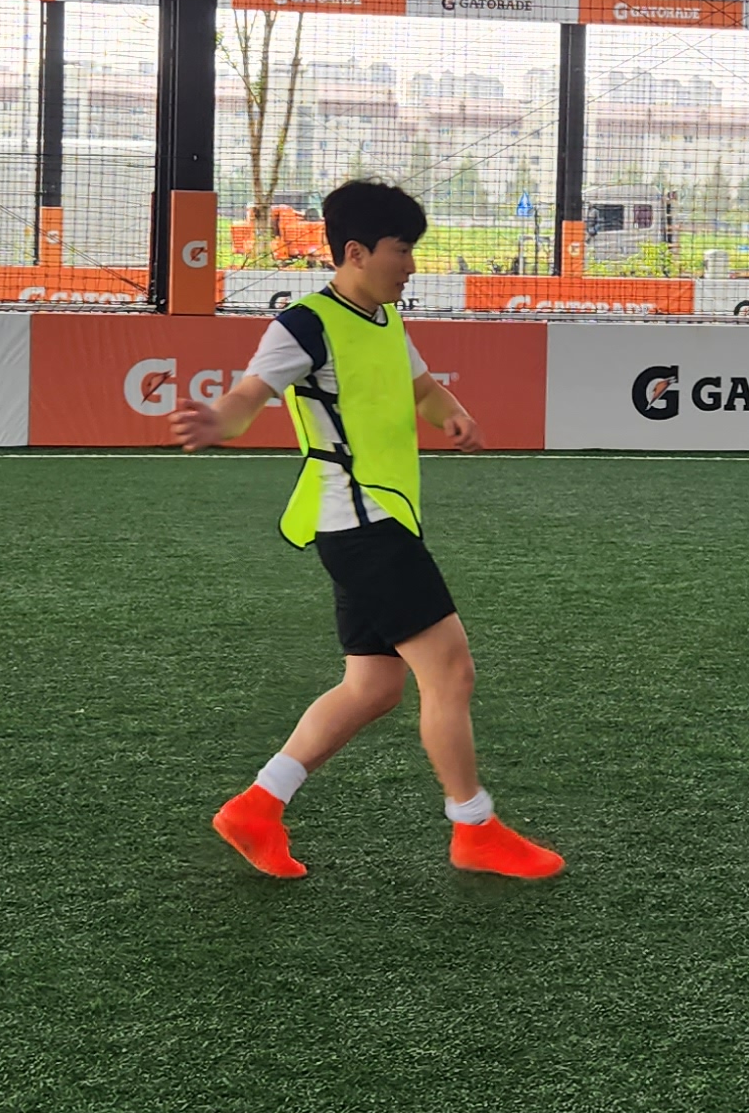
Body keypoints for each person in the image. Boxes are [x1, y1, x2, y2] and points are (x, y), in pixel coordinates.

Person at [172, 176, 564, 884]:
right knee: (450, 670)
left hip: (376, 521)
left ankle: (257, 808)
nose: (411, 266)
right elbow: (248, 397)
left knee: (375, 686)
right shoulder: (305, 325)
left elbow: (421, 388)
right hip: (362, 528)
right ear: (356, 252)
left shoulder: (384, 320)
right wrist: (217, 422)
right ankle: (474, 828)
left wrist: (453, 415)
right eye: (400, 250)